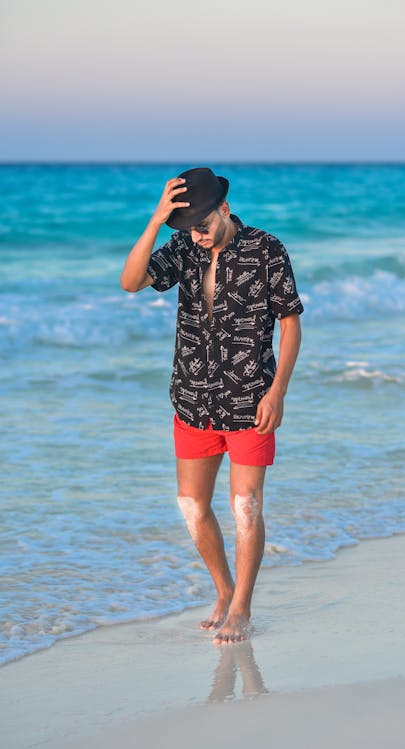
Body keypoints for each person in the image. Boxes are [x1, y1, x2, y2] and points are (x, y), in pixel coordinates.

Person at [121, 167, 303, 644]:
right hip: (192, 398)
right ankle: (223, 590)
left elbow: (289, 324)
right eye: (188, 228)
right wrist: (157, 221)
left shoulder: (267, 250)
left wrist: (277, 390)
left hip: (250, 401)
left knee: (245, 505)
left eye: (202, 225)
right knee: (191, 505)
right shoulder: (184, 247)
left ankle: (241, 606)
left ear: (224, 208)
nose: (198, 236)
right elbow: (130, 282)